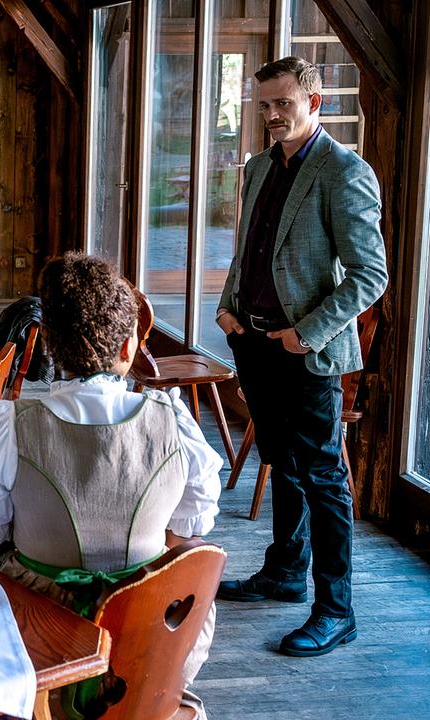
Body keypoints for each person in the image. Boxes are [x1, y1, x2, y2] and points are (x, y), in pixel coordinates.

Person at [0, 252, 222, 719]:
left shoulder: (11, 425)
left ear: (53, 347)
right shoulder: (173, 420)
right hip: (147, 628)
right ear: (126, 349)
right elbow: (191, 526)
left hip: (42, 629)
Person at [214, 57, 387, 657]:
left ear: (316, 102)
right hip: (254, 341)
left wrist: (305, 334)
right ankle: (285, 572)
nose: (271, 115)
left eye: (283, 103)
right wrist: (227, 306)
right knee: (280, 461)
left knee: (323, 480)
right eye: (263, 105)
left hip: (306, 353)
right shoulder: (258, 166)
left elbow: (371, 276)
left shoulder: (345, 172)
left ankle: (337, 610)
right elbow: (250, 247)